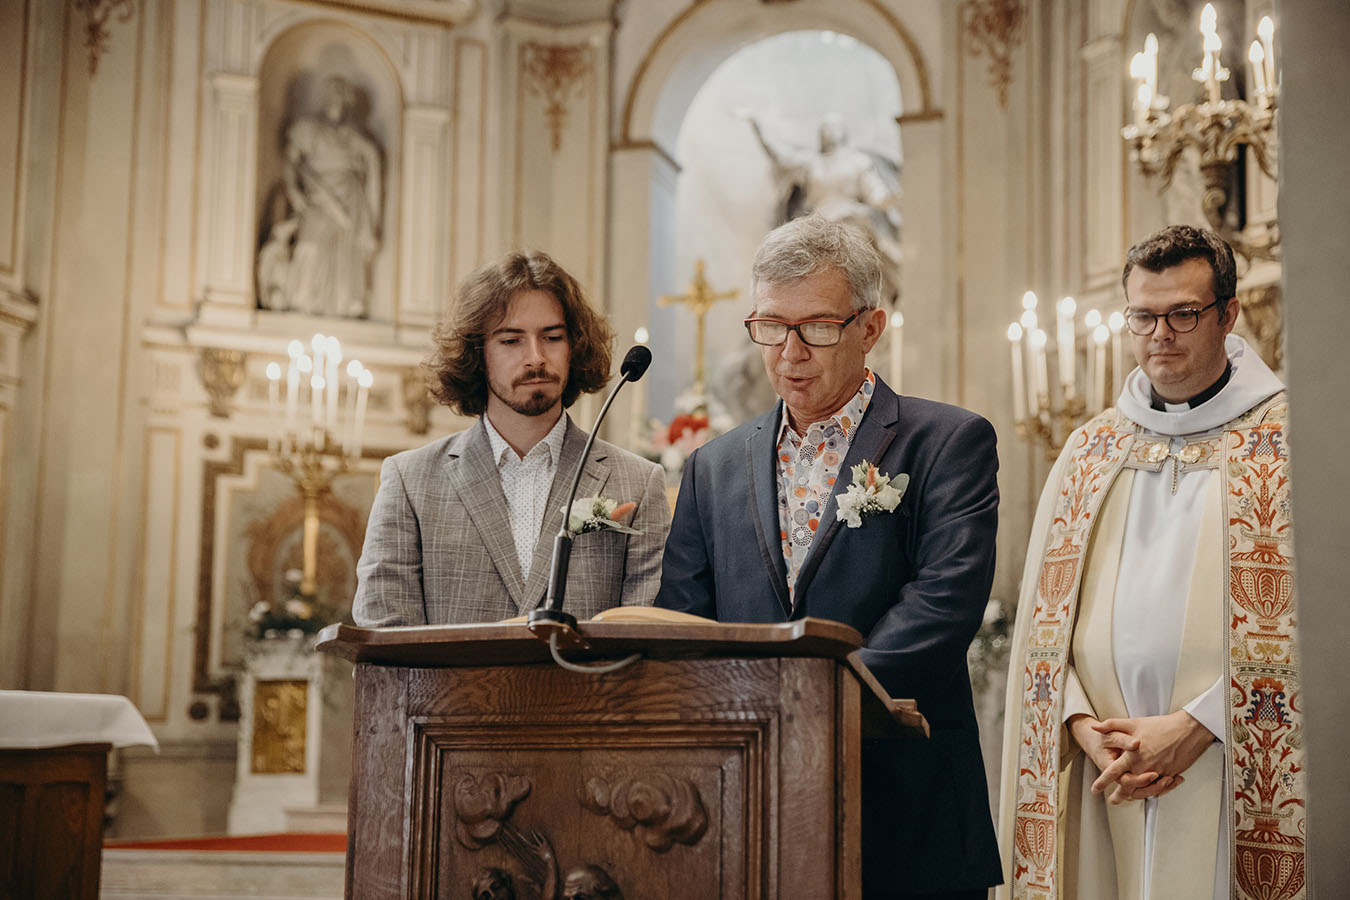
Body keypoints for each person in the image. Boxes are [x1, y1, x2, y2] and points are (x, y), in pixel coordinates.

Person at [655, 214, 1003, 899]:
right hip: (750, 808)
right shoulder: (711, 468)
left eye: (815, 327)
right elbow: (685, 623)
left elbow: (944, 602)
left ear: (869, 328)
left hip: (905, 805)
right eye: (769, 327)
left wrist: (805, 712)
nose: (789, 353)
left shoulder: (947, 443)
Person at [997, 225, 1306, 900]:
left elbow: (1319, 624)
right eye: (1143, 315)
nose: (1160, 334)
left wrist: (1203, 724)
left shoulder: (1289, 444)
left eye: (1182, 314)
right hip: (1104, 772)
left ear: (1227, 314)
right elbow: (1044, 636)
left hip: (1228, 765)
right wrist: (1081, 725)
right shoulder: (1090, 450)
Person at [353, 251, 670, 626]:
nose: (536, 358)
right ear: (477, 352)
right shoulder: (410, 481)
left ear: (574, 347)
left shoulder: (638, 482)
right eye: (511, 341)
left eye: (552, 337)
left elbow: (647, 643)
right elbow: (386, 641)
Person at [745, 111, 902, 305]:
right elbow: (780, 156)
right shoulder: (812, 164)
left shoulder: (858, 162)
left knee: (865, 269)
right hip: (818, 228)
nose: (830, 131)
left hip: (852, 225)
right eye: (826, 128)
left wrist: (894, 196)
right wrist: (758, 127)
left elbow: (877, 196)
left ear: (842, 132)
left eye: (834, 127)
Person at [267, 76, 383, 318]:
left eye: (342, 95)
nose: (337, 100)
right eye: (334, 94)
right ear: (326, 98)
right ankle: (303, 296)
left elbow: (372, 158)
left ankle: (345, 301)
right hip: (317, 196)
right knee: (310, 244)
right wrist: (294, 190)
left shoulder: (353, 135)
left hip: (349, 197)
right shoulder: (309, 129)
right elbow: (291, 162)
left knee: (345, 250)